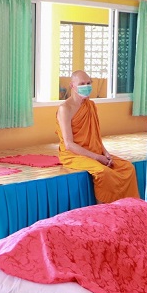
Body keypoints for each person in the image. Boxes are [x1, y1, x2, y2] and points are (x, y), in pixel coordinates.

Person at [56, 70, 139, 203]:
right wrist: (97, 157)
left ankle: (126, 207)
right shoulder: (65, 108)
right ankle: (104, 209)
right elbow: (69, 144)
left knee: (128, 167)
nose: (86, 86)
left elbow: (95, 136)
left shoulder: (91, 105)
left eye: (89, 83)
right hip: (73, 155)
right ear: (72, 85)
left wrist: (105, 153)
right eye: (82, 84)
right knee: (103, 172)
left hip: (95, 151)